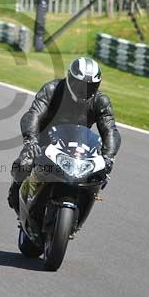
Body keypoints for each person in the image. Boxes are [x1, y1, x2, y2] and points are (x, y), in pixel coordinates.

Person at [8, 57, 121, 212]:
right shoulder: (52, 90)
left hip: (79, 148)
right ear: (70, 78)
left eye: (91, 86)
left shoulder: (100, 101)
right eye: (80, 85)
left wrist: (109, 157)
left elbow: (110, 130)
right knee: (23, 164)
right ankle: (17, 190)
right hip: (44, 143)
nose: (84, 90)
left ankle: (80, 207)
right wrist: (31, 141)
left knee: (98, 176)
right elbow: (33, 115)